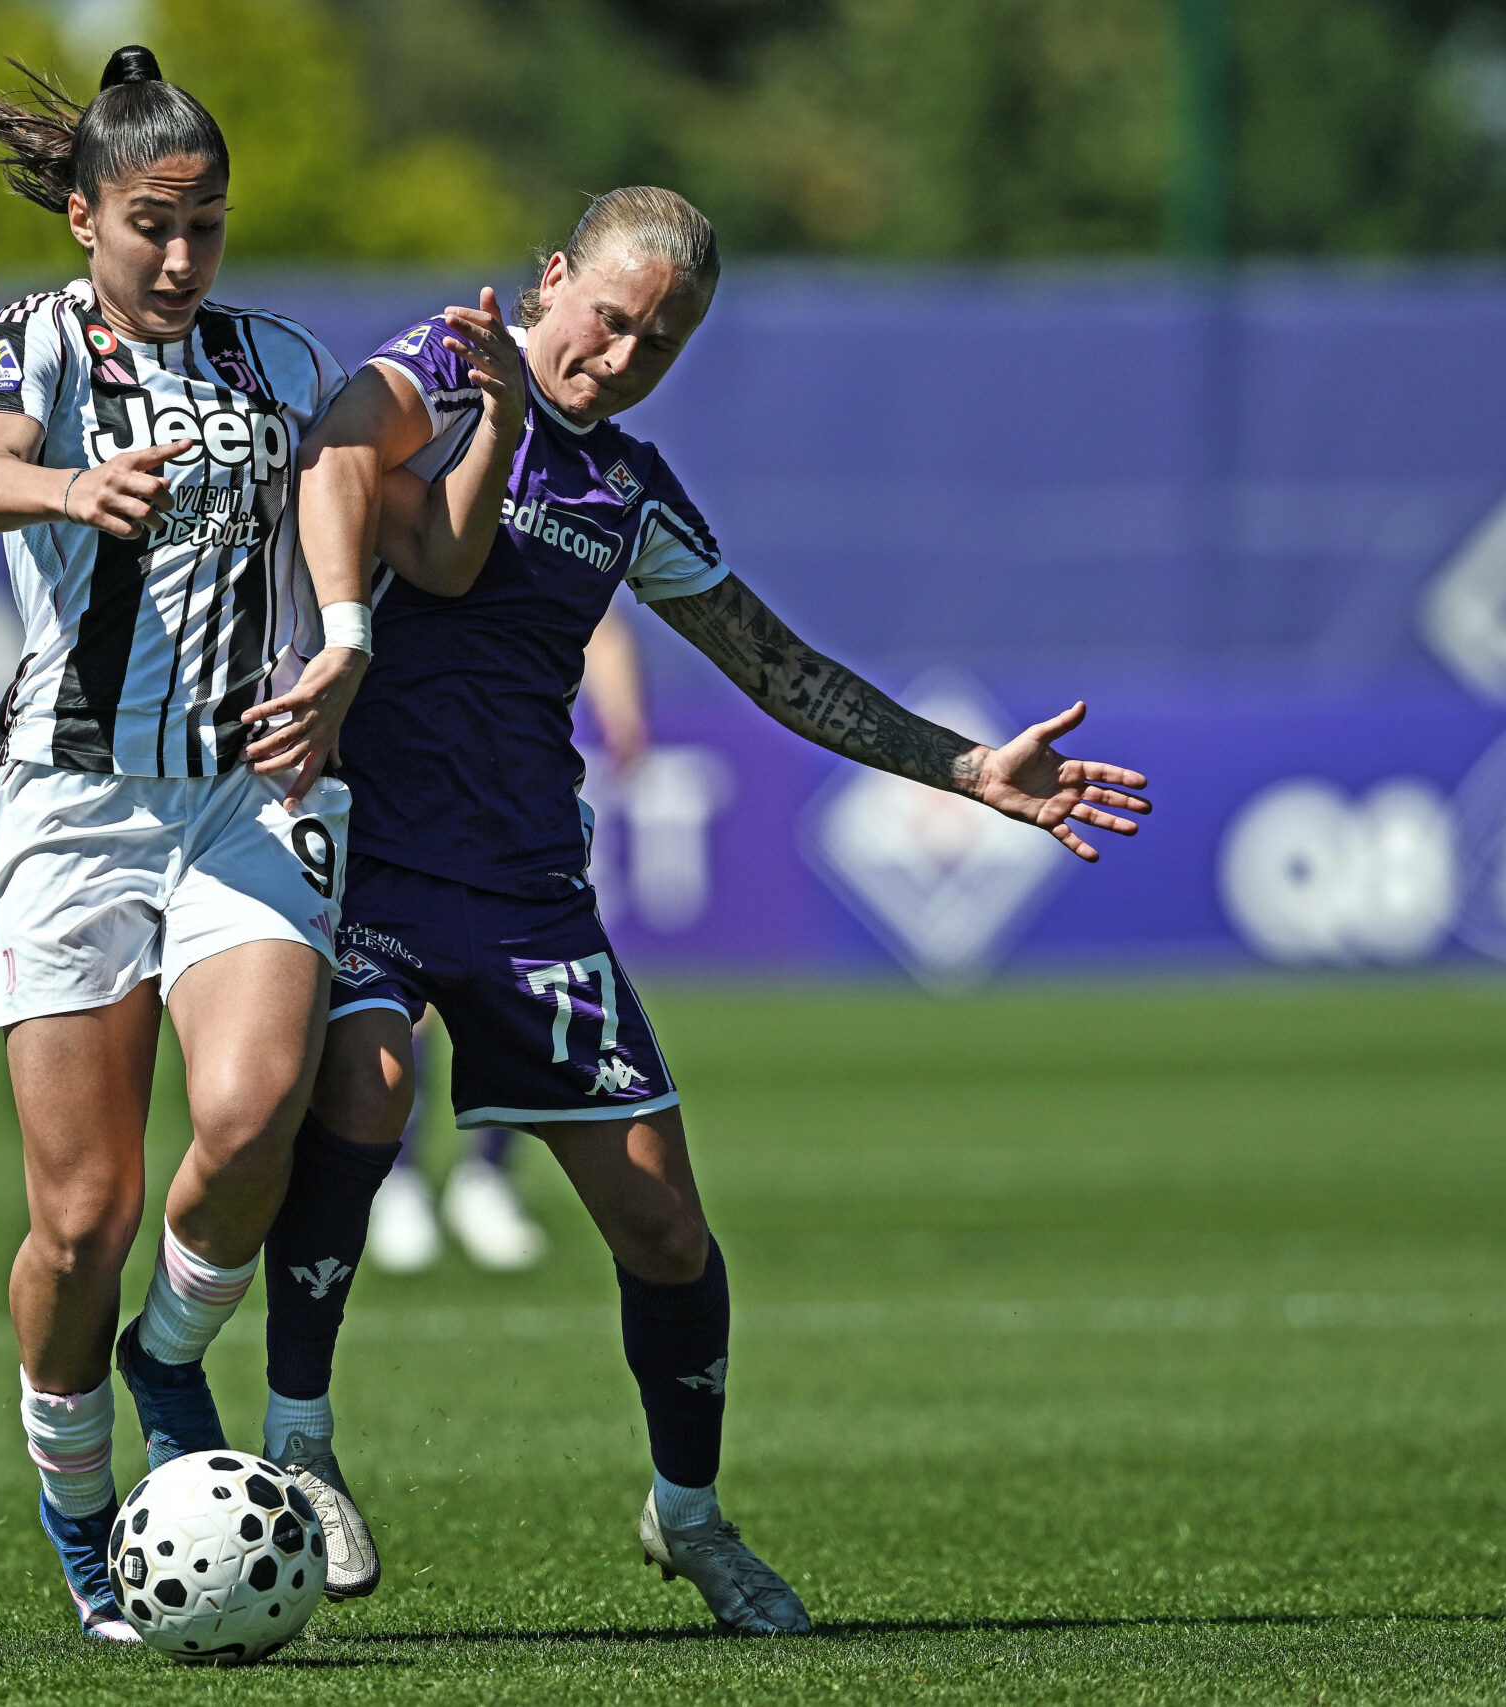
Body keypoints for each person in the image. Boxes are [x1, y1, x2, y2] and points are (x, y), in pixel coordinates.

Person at [255, 187, 1154, 1630]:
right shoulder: (445, 365)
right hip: (370, 856)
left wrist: (966, 767)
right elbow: (342, 451)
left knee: (666, 1227)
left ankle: (687, 1514)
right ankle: (299, 1440)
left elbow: (776, 666)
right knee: (367, 1087)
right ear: (555, 277)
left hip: (528, 888)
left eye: (659, 345)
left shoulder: (631, 492)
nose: (621, 358)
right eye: (611, 319)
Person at [0, 44, 516, 1642]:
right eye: (153, 225)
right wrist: (70, 487)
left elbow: (432, 545)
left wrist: (490, 421)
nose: (183, 256)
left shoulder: (278, 361)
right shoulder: (39, 339)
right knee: (83, 1220)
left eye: (206, 225)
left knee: (257, 1110)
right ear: (85, 217)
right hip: (71, 811)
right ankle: (78, 1509)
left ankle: (173, 1353)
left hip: (245, 799)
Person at [368, 603, 649, 1274]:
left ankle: (486, 1179)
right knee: (410, 993)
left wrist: (624, 713)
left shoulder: (535, 542)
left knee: (513, 988)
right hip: (406, 772)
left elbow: (598, 616)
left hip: (517, 790)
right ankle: (399, 1179)